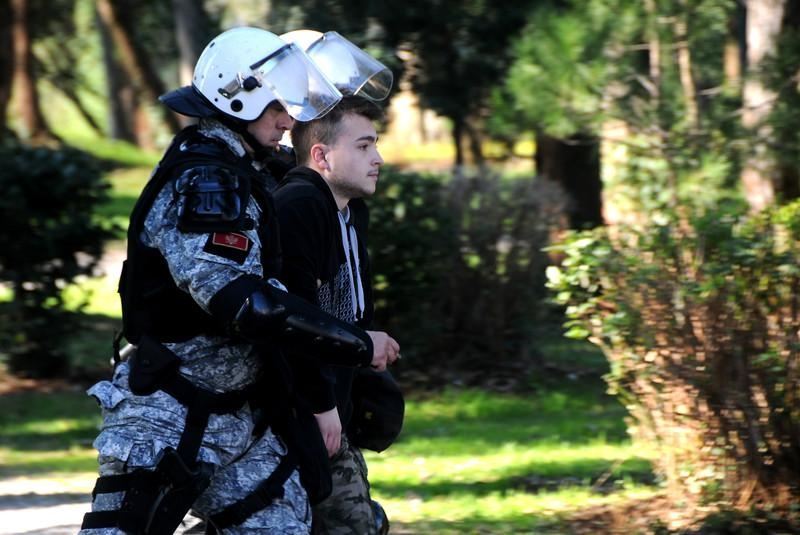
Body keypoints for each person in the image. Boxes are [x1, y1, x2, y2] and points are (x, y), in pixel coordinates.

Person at [79, 27, 393, 535]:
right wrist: (357, 345)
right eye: (277, 108)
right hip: (167, 414)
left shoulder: (243, 169)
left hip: (239, 417)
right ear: (239, 101)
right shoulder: (207, 179)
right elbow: (250, 305)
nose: (288, 121)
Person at [274, 96, 400, 534]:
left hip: (334, 407)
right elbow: (292, 318)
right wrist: (321, 405)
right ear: (321, 155)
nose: (378, 158)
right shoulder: (299, 206)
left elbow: (346, 311)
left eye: (375, 145)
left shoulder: (348, 212)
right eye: (364, 147)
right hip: (303, 412)